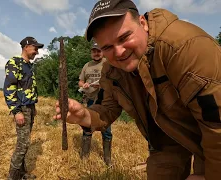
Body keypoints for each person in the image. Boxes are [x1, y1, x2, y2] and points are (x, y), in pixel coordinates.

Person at [54, 0, 221, 179]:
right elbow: (107, 108)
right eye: (107, 47)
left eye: (124, 38)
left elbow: (217, 126)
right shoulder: (111, 71)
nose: (118, 52)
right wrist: (84, 115)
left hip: (212, 138)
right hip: (165, 141)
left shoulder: (185, 48)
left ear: (143, 23)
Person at [3, 36, 44, 180]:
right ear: (26, 47)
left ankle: (22, 174)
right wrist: (16, 111)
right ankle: (12, 177)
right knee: (23, 144)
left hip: (29, 107)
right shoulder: (14, 63)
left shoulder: (29, 66)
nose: (37, 52)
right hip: (21, 109)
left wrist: (33, 107)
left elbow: (29, 88)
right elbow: (9, 88)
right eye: (35, 48)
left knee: (24, 143)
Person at [78, 42, 112, 166]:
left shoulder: (108, 63)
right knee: (88, 126)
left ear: (102, 52)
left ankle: (107, 159)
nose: (96, 53)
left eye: (98, 51)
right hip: (91, 100)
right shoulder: (87, 66)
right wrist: (84, 85)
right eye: (94, 51)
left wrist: (103, 84)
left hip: (105, 101)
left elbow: (115, 80)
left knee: (106, 127)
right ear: (91, 52)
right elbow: (80, 82)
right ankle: (84, 157)